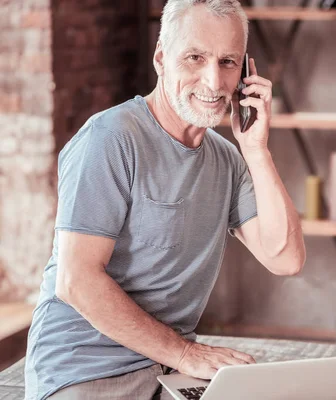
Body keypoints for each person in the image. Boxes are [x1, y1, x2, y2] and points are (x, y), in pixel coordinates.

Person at [24, 1, 306, 399]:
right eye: (195, 57)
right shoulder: (110, 139)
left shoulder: (227, 159)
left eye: (228, 62)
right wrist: (185, 352)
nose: (213, 81)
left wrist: (257, 150)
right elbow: (77, 281)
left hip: (169, 372)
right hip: (85, 371)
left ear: (245, 74)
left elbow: (286, 258)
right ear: (161, 59)